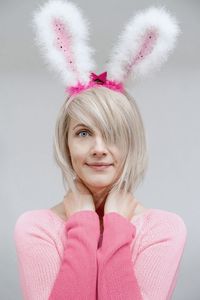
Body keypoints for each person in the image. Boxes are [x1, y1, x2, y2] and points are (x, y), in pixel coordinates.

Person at [14, 1, 187, 299]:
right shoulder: (35, 229)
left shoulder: (165, 230)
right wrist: (83, 226)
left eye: (113, 134)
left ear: (132, 143)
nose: (98, 149)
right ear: (65, 142)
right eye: (83, 133)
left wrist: (117, 227)